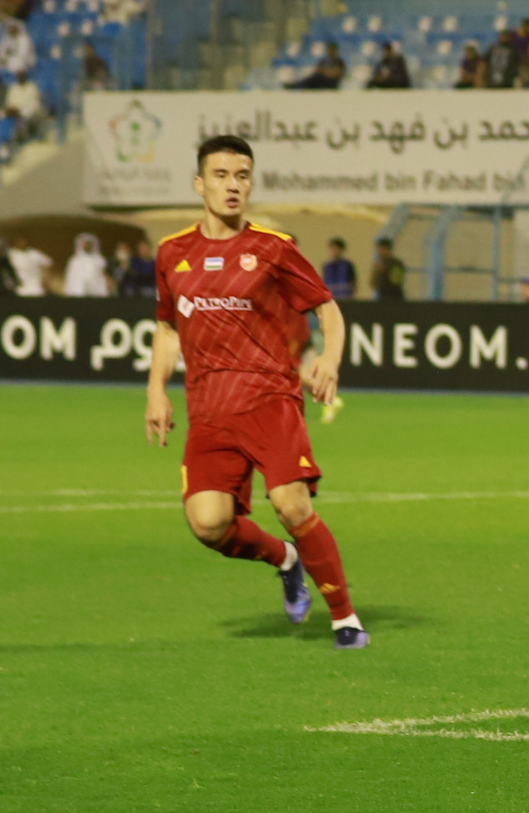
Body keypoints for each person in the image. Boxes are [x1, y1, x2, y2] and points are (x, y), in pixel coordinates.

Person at [145, 134, 368, 649]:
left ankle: (345, 618)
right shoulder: (172, 253)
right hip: (208, 410)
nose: (232, 186)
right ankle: (286, 561)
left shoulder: (273, 248)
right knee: (209, 524)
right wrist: (157, 389)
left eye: (242, 176)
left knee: (291, 504)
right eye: (221, 176)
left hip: (270, 399)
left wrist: (329, 359)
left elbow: (327, 309)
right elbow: (167, 328)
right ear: (199, 184)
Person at [63, 232, 110, 297]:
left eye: (89, 244)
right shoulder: (75, 260)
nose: (87, 246)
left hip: (95, 288)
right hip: (79, 289)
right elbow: (71, 276)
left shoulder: (99, 259)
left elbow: (103, 272)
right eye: (85, 244)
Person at [4, 69, 44, 138]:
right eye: (19, 76)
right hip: (14, 112)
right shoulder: (13, 88)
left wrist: (21, 110)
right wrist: (13, 109)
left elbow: (35, 104)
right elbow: (9, 102)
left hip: (28, 112)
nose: (20, 77)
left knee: (25, 116)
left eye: (22, 75)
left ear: (26, 76)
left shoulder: (32, 87)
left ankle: (24, 136)